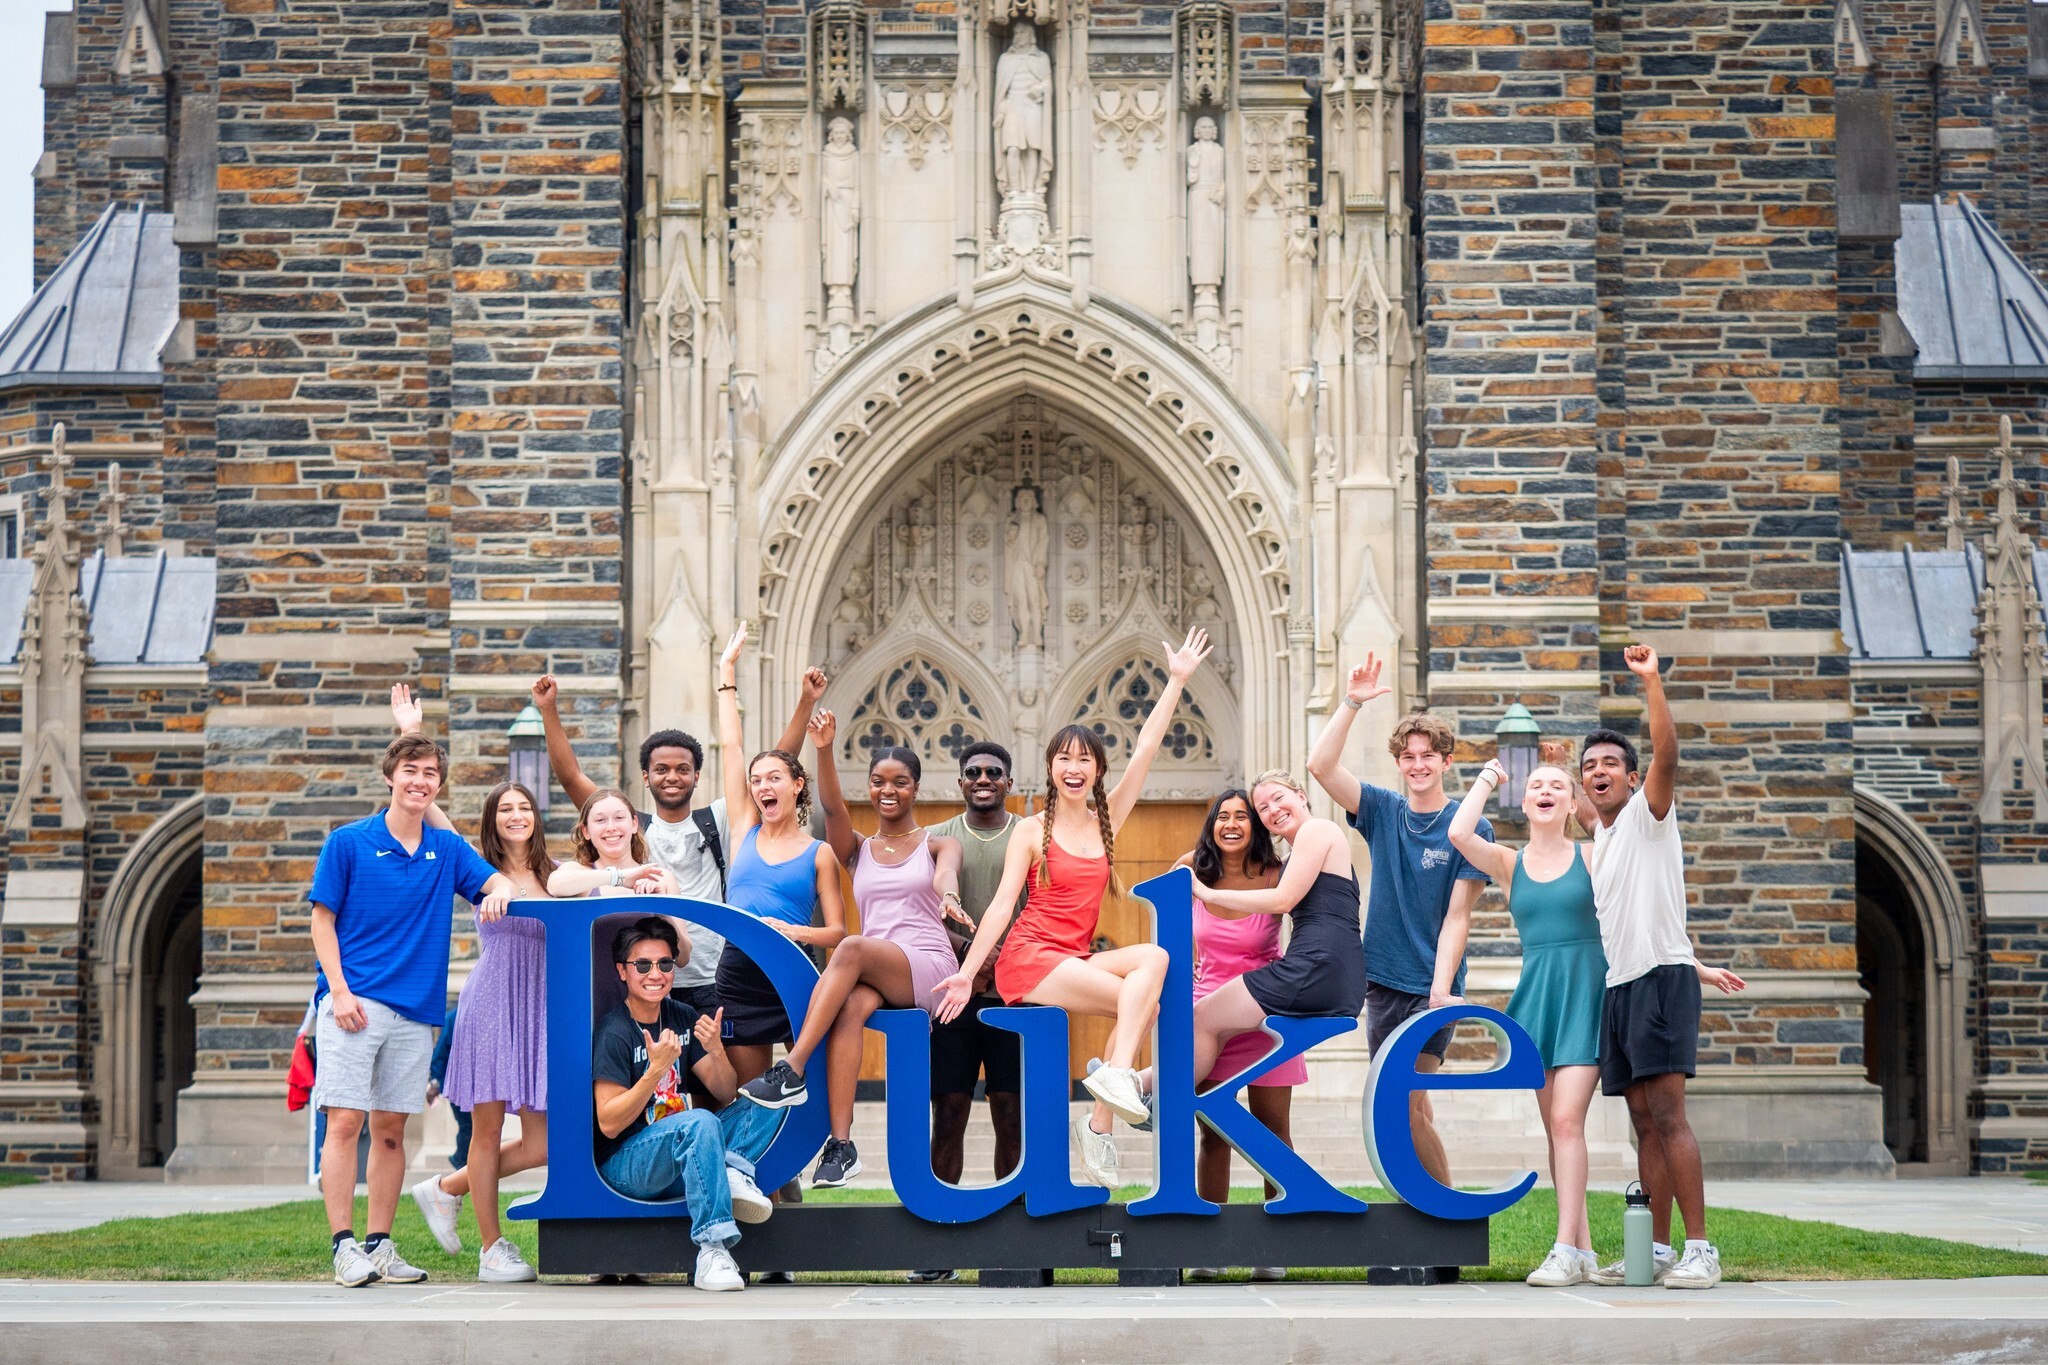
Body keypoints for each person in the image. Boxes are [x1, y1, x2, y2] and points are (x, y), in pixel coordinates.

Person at [935, 628, 1213, 1188]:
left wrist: (1177, 681)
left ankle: (1103, 1112)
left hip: (1075, 956)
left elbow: (1147, 749)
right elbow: (1000, 909)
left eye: (1085, 759)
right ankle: (1110, 1100)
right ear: (1052, 767)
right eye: (1065, 758)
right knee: (1143, 1005)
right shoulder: (1031, 831)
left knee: (1155, 964)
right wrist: (967, 976)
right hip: (1031, 957)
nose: (1075, 767)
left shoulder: (1108, 819)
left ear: (1097, 771)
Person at [309, 733, 515, 1288]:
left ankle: (379, 1245)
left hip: (415, 1014)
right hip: (354, 1005)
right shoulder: (348, 842)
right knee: (346, 1123)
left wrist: (497, 890)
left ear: (438, 785)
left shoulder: (444, 849)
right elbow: (322, 922)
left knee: (392, 1132)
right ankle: (343, 1247)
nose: (420, 780)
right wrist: (339, 991)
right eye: (411, 770)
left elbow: (496, 879)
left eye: (430, 773)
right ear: (390, 776)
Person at [1580, 646, 1747, 1291]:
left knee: (1671, 1115)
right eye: (1590, 766)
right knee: (1643, 1119)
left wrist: (1651, 682)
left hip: (1658, 982)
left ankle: (1701, 1248)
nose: (1599, 773)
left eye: (1611, 766)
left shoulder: (1652, 817)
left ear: (1631, 779)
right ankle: (1653, 1250)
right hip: (1621, 987)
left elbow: (1668, 752)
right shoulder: (1604, 836)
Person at [739, 735, 972, 1195]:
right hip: (875, 971)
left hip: (926, 963)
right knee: (848, 1009)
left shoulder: (938, 844)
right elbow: (832, 806)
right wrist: (825, 749)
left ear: (916, 788)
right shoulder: (857, 850)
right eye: (878, 781)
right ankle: (841, 1147)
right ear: (868, 786)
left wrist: (948, 895)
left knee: (850, 947)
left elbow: (947, 874)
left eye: (900, 782)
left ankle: (793, 1068)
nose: (889, 790)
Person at [1306, 652, 1491, 1190]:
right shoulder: (1384, 810)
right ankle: (1427, 1206)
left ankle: (1446, 1214)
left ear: (1446, 762)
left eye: (1428, 756)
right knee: (1411, 1105)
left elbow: (1459, 917)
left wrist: (1439, 990)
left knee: (1402, 1103)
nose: (1417, 765)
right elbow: (1320, 767)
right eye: (1408, 757)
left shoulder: (1466, 825)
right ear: (1399, 764)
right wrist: (1351, 703)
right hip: (1382, 983)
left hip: (1431, 987)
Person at [533, 671, 824, 1011]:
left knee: (721, 1064)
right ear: (646, 776)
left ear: (696, 776)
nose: (672, 776)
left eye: (683, 769)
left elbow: (776, 766)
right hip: (650, 981)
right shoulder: (629, 825)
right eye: (661, 769)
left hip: (715, 979)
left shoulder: (719, 819)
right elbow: (571, 778)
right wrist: (548, 709)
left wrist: (806, 701)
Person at [1447, 757, 1608, 1287]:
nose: (1544, 791)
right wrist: (1489, 778)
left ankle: (1563, 1249)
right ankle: (1582, 1250)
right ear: (1524, 801)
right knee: (1556, 1129)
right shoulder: (1508, 863)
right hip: (1539, 1000)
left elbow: (1638, 911)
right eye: (1535, 785)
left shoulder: (1593, 854)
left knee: (1566, 1121)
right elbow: (1458, 831)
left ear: (1570, 802)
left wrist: (1691, 966)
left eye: (1557, 786)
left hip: (1587, 995)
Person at [411, 780, 555, 1283]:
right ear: (492, 820)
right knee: (487, 1130)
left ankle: (447, 1188)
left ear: (536, 816)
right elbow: (427, 807)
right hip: (493, 1005)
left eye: (524, 807)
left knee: (543, 1144)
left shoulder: (555, 873)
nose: (516, 816)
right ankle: (491, 1249)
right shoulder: (477, 870)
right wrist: (409, 734)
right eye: (505, 809)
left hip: (541, 1011)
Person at [592, 917, 781, 1292]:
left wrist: (716, 1051)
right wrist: (654, 1071)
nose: (655, 974)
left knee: (772, 1094)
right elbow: (609, 1123)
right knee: (699, 1122)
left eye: (664, 964)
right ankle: (712, 1248)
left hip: (684, 1151)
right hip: (629, 1164)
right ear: (622, 971)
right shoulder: (614, 1031)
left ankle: (730, 1169)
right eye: (642, 965)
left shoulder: (680, 1015)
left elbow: (726, 1092)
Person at [714, 623, 848, 1094]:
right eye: (756, 781)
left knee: (796, 1092)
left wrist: (795, 932)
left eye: (774, 777)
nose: (762, 786)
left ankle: (800, 1166)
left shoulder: (820, 853)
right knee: (752, 1097)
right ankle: (767, 1173)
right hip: (740, 971)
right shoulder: (742, 832)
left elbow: (838, 933)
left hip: (794, 969)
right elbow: (731, 746)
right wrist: (726, 671)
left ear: (797, 785)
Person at [1177, 787, 1301, 1284]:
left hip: (1264, 1016)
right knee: (1214, 1132)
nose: (1231, 824)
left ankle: (1276, 1246)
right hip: (1207, 1018)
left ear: (1256, 825)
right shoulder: (1192, 869)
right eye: (1222, 816)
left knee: (1272, 1128)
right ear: (1212, 824)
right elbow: (1166, 924)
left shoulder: (1278, 874)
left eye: (1241, 817)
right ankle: (1212, 1246)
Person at [915, 742, 1025, 1283]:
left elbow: (1038, 912)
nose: (983, 779)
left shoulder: (1029, 835)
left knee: (1011, 1116)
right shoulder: (939, 839)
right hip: (952, 1000)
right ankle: (940, 1246)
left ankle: (1013, 1243)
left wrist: (996, 966)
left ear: (1009, 781)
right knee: (949, 1118)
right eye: (973, 773)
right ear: (960, 782)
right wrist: (966, 962)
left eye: (993, 773)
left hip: (1014, 998)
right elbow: (925, 913)